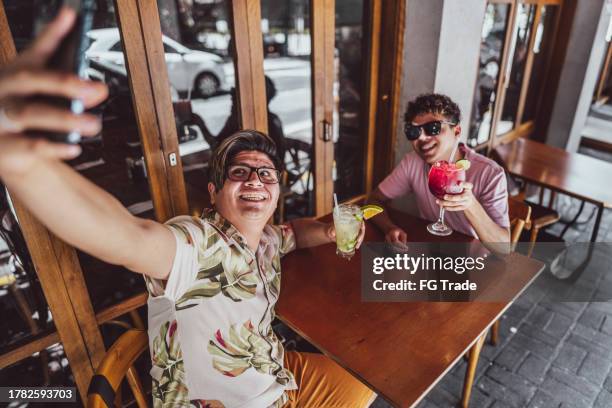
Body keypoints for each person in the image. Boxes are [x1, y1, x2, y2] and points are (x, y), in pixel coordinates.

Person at [0, 8, 375, 408]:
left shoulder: (265, 239)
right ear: (213, 192)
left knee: (367, 383)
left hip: (273, 374)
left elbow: (295, 234)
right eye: (240, 173)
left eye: (266, 175)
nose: (255, 181)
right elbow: (125, 237)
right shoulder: (197, 245)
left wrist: (329, 232)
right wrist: (26, 165)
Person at [368, 93, 510, 244]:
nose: (421, 138)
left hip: (473, 258)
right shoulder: (412, 162)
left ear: (456, 131)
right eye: (414, 131)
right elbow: (373, 200)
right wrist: (389, 228)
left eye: (433, 128)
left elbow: (503, 248)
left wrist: (470, 205)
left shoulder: (490, 173)